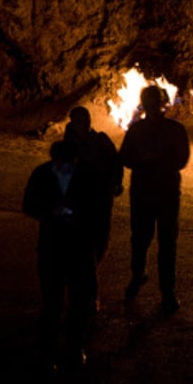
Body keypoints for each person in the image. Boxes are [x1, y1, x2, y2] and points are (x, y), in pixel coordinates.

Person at [22, 139, 109, 371]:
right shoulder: (42, 174)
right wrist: (52, 211)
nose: (65, 168)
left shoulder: (89, 176)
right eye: (61, 163)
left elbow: (101, 209)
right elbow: (28, 204)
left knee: (78, 302)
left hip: (79, 248)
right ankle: (48, 350)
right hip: (51, 246)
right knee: (52, 301)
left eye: (69, 163)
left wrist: (82, 219)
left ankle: (75, 347)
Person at [120, 85, 191, 315]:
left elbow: (181, 160)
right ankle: (144, 279)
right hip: (154, 190)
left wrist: (150, 160)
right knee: (147, 239)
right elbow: (126, 157)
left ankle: (164, 289)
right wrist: (150, 160)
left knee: (158, 240)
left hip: (160, 190)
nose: (153, 109)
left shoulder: (161, 129)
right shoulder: (164, 129)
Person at [63, 105, 124, 314]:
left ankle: (82, 293)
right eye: (80, 120)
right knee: (84, 254)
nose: (85, 123)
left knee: (99, 246)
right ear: (73, 123)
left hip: (100, 202)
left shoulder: (100, 140)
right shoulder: (69, 147)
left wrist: (115, 184)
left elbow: (116, 163)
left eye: (87, 119)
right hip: (81, 206)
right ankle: (86, 297)